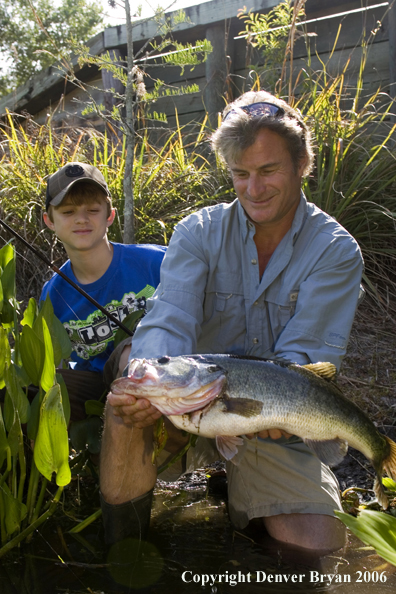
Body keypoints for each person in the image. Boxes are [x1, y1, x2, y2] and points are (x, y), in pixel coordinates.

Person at [99, 91, 363, 552]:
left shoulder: (335, 251)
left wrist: (276, 414)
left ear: (302, 162)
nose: (253, 190)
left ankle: (244, 495)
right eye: (240, 174)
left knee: (315, 545)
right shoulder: (197, 232)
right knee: (125, 406)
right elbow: (170, 318)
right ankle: (126, 554)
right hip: (187, 406)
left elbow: (304, 359)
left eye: (268, 171)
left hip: (267, 416)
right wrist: (143, 374)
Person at [41, 162, 166, 422]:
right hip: (95, 394)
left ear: (109, 215)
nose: (81, 219)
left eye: (93, 210)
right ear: (49, 221)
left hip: (164, 381)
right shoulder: (52, 295)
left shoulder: (157, 263)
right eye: (68, 211)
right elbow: (57, 365)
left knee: (130, 354)